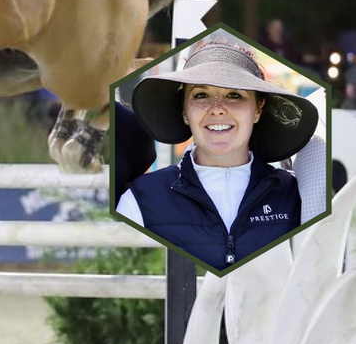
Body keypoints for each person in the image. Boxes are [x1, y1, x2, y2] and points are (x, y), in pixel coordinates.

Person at [116, 40, 319, 271]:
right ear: (184, 111)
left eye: (234, 94)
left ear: (258, 110)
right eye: (201, 95)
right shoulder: (141, 200)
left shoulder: (296, 197)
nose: (217, 108)